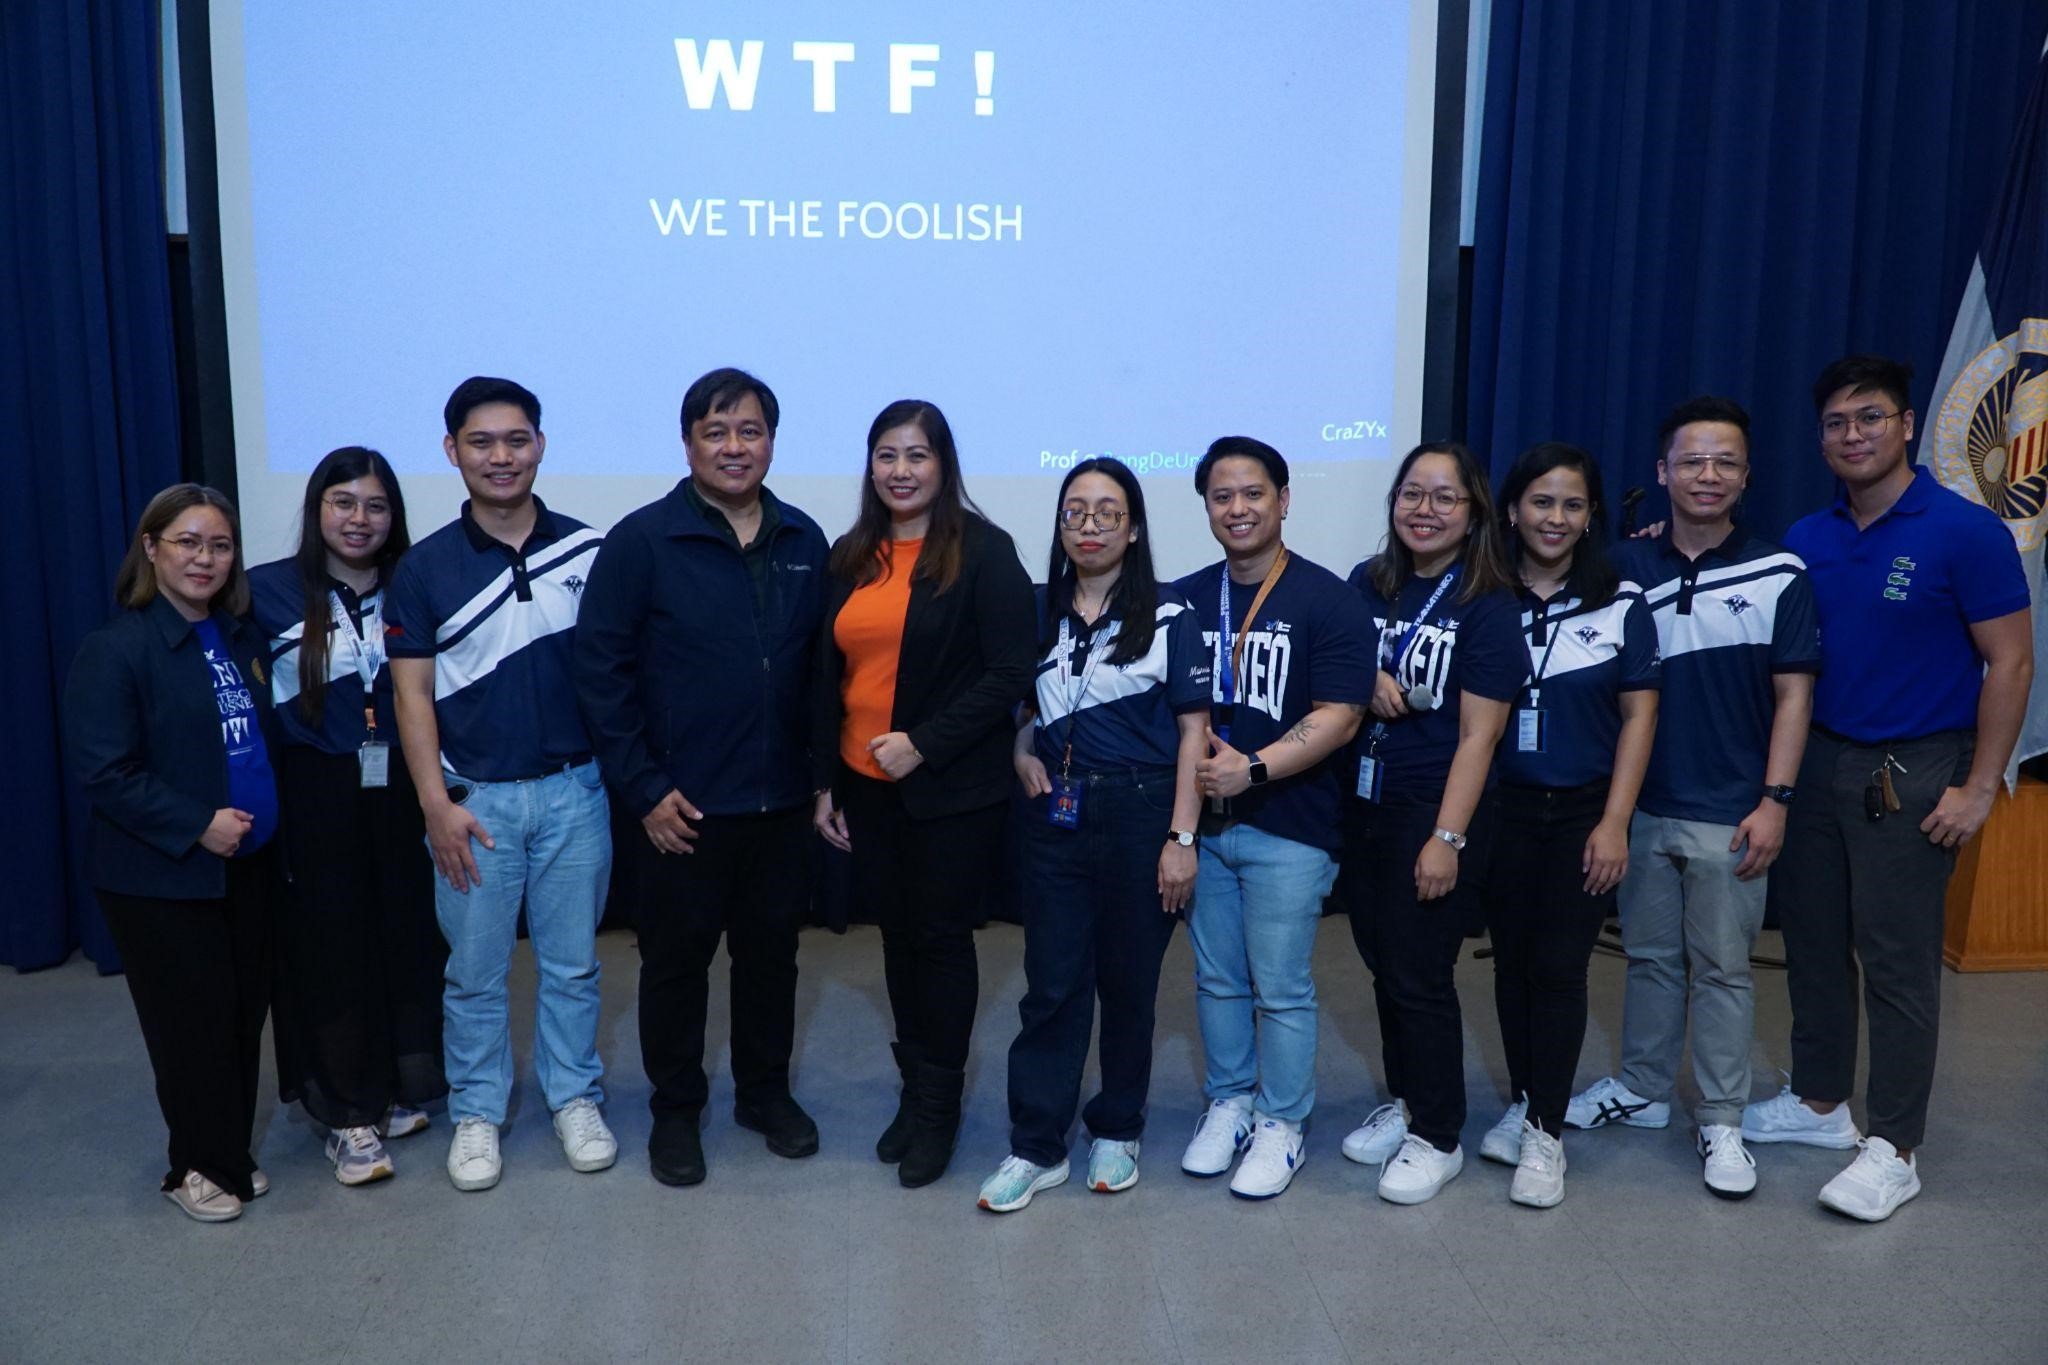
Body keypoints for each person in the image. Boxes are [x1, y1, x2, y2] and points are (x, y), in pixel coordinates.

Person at [1744, 355, 2033, 1221]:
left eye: (1870, 418)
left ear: (1907, 425)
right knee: (1814, 943)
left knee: (1900, 963)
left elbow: (2012, 661)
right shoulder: (1807, 537)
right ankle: (1821, 1101)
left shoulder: (1965, 530)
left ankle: (1895, 1144)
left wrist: (1982, 787)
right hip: (1822, 762)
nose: (1852, 434)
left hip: (1918, 767)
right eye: (1836, 422)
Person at [575, 368, 830, 1188]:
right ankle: (676, 1111)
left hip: (780, 802)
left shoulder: (804, 539)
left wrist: (821, 777)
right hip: (678, 807)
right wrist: (643, 788)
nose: (733, 446)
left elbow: (822, 674)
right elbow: (602, 675)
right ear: (687, 442)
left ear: (771, 442)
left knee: (772, 960)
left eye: (749, 431)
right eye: (715, 431)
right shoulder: (642, 540)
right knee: (675, 965)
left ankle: (763, 1094)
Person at [1567, 396, 1818, 1200]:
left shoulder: (1780, 572)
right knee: (1648, 958)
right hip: (1639, 807)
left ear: (1746, 475)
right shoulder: (1621, 569)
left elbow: (1793, 698)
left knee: (1722, 970)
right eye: (1691, 461)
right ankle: (1640, 1090)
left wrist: (1775, 797)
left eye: (1725, 462)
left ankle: (1720, 1118)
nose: (1707, 475)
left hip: (1732, 809)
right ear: (1662, 472)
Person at [386, 376, 617, 1192]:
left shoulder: (589, 551)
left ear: (541, 446)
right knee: (476, 973)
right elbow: (411, 694)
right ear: (452, 452)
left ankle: (574, 1097)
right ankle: (478, 1112)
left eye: (517, 440)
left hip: (575, 793)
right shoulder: (422, 569)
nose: (501, 456)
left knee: (573, 966)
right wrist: (435, 805)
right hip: (473, 803)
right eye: (481, 442)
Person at [974, 458, 1210, 1213]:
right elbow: (1023, 710)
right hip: (1056, 816)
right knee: (1052, 984)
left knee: (1130, 983)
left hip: (1142, 812)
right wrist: (1019, 752)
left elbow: (1194, 733)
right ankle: (1037, 1144)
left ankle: (1117, 1125)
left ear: (1134, 527)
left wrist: (1182, 837)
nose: (1090, 524)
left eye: (1108, 512)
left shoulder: (1171, 615)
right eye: (1075, 511)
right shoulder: (1040, 610)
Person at [812, 399, 1036, 1188]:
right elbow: (830, 678)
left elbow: (1011, 671)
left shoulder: (982, 550)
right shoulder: (851, 554)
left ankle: (938, 1108)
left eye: (916, 455)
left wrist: (925, 742)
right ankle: (915, 1093)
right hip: (865, 789)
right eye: (886, 455)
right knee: (896, 942)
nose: (900, 470)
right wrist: (827, 782)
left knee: (939, 942)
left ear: (944, 465)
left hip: (951, 792)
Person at [64, 484, 280, 1222]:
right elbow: (104, 772)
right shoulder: (116, 647)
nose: (205, 558)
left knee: (241, 1016)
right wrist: (196, 824)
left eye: (219, 545)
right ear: (150, 547)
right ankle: (196, 1163)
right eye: (187, 542)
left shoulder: (240, 637)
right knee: (190, 1024)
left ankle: (229, 1151)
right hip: (162, 874)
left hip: (245, 863)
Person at [1173, 437, 1372, 1201]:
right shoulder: (1187, 596)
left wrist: (1252, 767)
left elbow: (1342, 714)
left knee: (1280, 985)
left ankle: (1283, 1123)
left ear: (1283, 499)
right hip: (1207, 825)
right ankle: (1230, 1102)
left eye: (1253, 493)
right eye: (1222, 496)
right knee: (1217, 979)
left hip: (1290, 823)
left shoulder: (1327, 598)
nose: (1238, 508)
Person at [249, 449, 447, 1186]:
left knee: (400, 937)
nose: (358, 519)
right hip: (313, 788)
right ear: (316, 510)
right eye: (343, 502)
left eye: (375, 505)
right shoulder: (264, 591)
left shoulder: (414, 586)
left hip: (401, 782)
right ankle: (343, 1112)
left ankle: (386, 1083)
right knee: (328, 947)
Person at [1338, 441, 1524, 1205]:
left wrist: (1446, 838)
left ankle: (1438, 1133)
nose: (1425, 509)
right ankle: (1409, 1098)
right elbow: (1334, 667)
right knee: (1384, 962)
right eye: (1412, 494)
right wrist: (1365, 672)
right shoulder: (1368, 582)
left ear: (1474, 510)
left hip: (1434, 806)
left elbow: (1481, 735)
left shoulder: (1487, 601)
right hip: (1364, 799)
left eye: (1444, 497)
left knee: (1420, 972)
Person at [1474, 443, 1658, 1207]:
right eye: (1542, 502)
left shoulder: (1619, 600)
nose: (1555, 517)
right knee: (1510, 964)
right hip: (1500, 812)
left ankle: (1547, 1132)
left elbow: (1640, 715)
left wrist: (1615, 822)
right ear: (1513, 510)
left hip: (1584, 812)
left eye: (1572, 504)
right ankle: (1524, 1098)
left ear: (1590, 517)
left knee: (1559, 967)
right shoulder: (1482, 599)